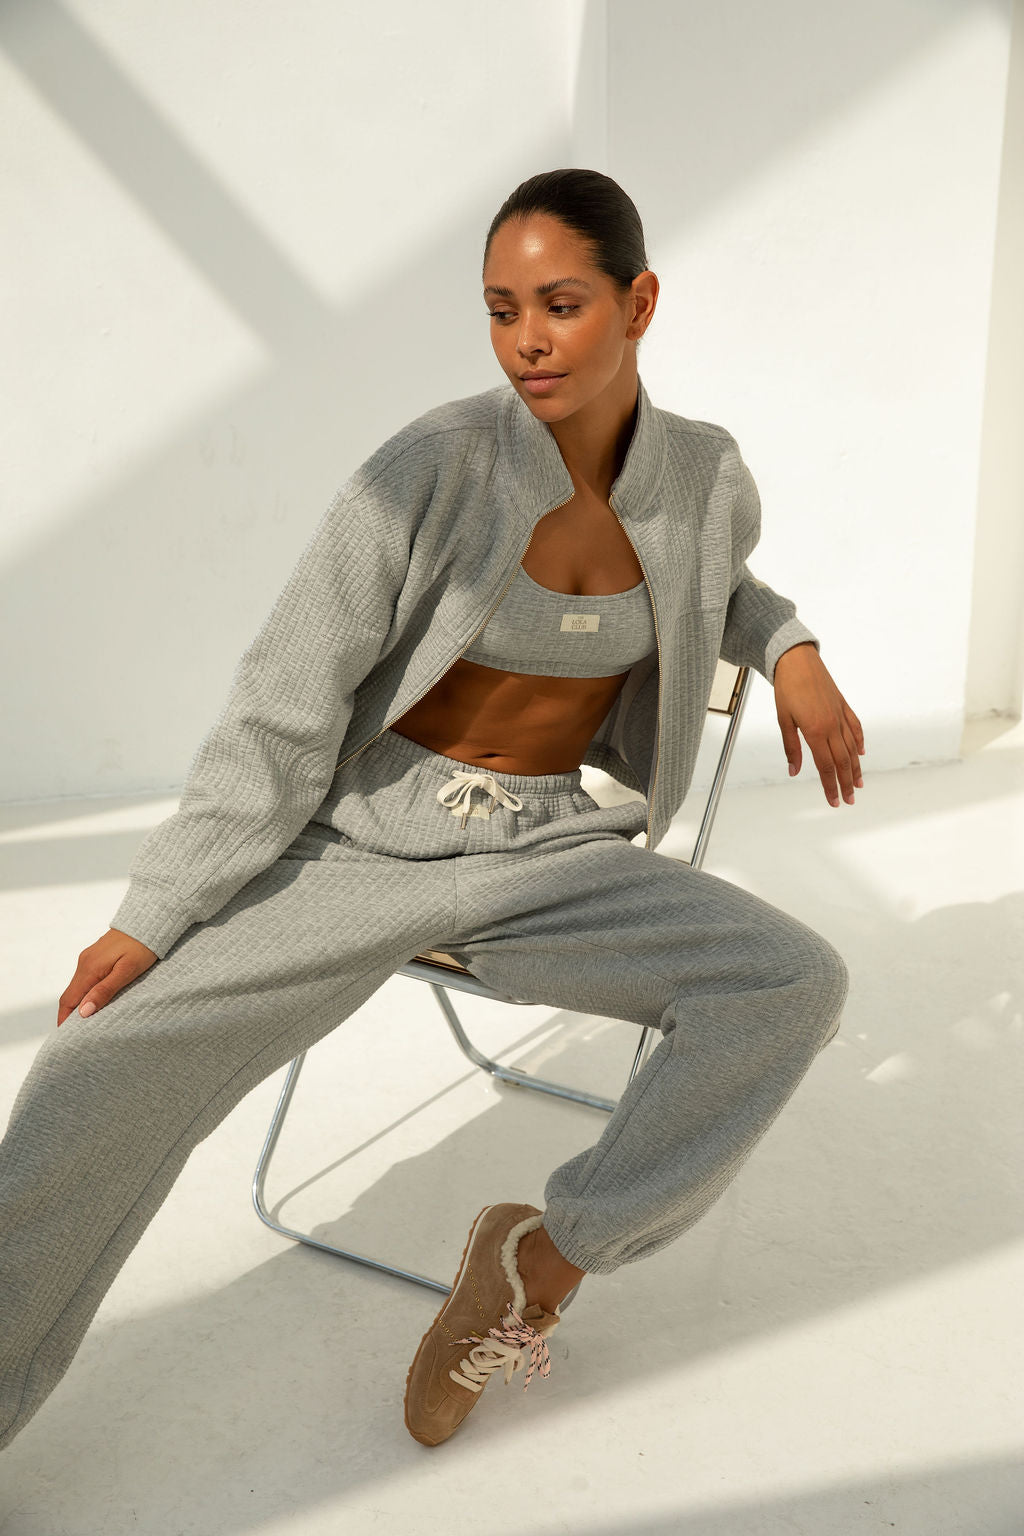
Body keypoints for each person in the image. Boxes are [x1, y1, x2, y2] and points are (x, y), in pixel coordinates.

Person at [0, 168, 863, 1454]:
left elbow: (713, 576)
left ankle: (534, 1265)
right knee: (90, 1070)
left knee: (789, 981)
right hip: (359, 840)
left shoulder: (704, 474)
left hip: (545, 852)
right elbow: (283, 705)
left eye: (560, 305)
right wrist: (156, 911)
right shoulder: (429, 470)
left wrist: (788, 646)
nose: (527, 341)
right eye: (501, 310)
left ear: (638, 303)